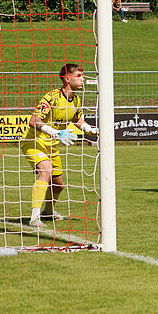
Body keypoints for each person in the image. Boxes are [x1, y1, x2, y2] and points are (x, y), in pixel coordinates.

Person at [22, 63, 99, 228]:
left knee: (58, 185)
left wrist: (89, 129)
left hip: (52, 146)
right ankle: (34, 218)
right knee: (45, 171)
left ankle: (48, 212)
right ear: (67, 78)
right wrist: (56, 133)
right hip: (34, 142)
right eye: (78, 75)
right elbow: (33, 121)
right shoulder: (52, 97)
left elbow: (77, 120)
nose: (83, 79)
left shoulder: (76, 99)